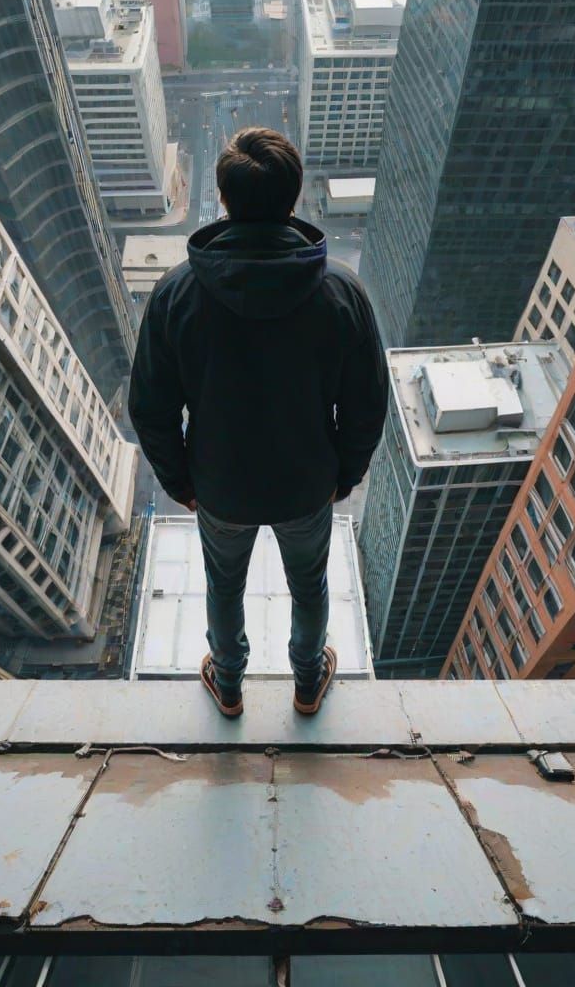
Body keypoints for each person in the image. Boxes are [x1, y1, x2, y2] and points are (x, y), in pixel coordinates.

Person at [129, 127, 389, 717]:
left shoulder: (176, 294)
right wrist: (343, 476)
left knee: (223, 587)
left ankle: (228, 684)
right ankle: (305, 682)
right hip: (307, 482)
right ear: (293, 198)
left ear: (223, 199)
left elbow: (151, 406)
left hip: (219, 485)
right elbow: (367, 401)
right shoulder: (340, 292)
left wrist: (181, 483)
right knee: (310, 586)